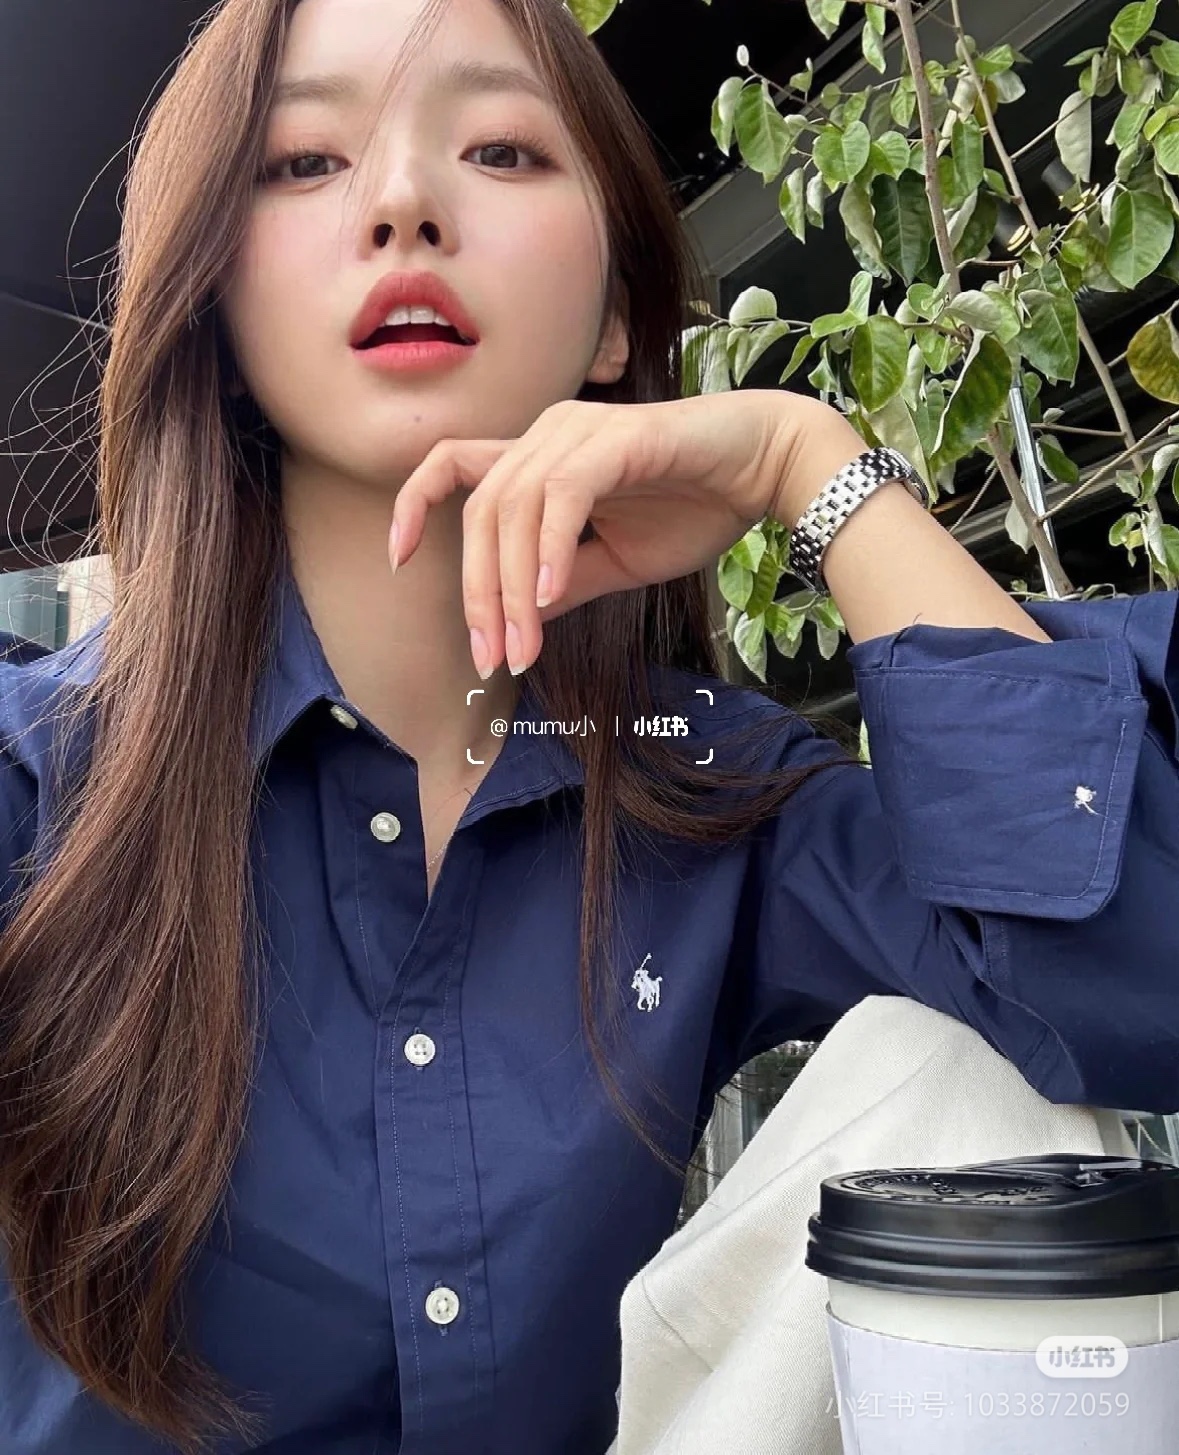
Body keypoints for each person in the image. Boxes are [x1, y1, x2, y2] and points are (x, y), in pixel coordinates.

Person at [0, 0, 1177, 1451]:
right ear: (218, 301)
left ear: (618, 315)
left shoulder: (704, 792)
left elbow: (1134, 987)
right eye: (304, 162)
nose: (404, 202)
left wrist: (808, 465)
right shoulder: (35, 785)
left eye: (501, 148)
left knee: (985, 1082)